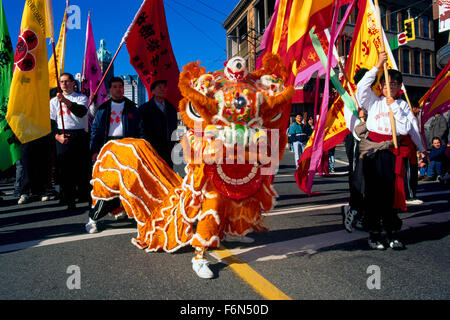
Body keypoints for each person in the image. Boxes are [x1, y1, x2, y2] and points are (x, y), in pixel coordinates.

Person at [356, 51, 426, 250]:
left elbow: (407, 129)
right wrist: (377, 65)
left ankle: (392, 232)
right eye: (387, 83)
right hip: (373, 154)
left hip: (393, 155)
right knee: (374, 195)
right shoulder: (372, 101)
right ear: (380, 86)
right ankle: (374, 234)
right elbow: (361, 87)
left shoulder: (402, 105)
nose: (390, 87)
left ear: (399, 87)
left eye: (395, 84)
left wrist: (421, 150)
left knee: (392, 195)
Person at [86, 77, 144, 234]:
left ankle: (123, 209)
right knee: (106, 185)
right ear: (109, 90)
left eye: (120, 87)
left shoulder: (132, 108)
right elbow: (95, 131)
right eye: (115, 87)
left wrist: (138, 149)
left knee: (129, 183)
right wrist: (94, 151)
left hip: (127, 148)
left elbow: (140, 131)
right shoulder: (103, 108)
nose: (118, 89)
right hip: (107, 149)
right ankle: (93, 218)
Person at [50, 73, 90, 210]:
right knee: (64, 169)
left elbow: (81, 112)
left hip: (79, 134)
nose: (64, 84)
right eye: (61, 82)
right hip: (62, 135)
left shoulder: (81, 98)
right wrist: (57, 136)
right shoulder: (54, 101)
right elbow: (51, 122)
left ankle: (84, 195)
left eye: (67, 81)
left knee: (81, 167)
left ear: (73, 83)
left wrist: (65, 101)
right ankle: (68, 198)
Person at [139, 80, 178, 168]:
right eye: (159, 87)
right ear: (152, 91)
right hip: (152, 147)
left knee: (168, 173)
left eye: (164, 87)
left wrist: (173, 142)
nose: (163, 90)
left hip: (168, 148)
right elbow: (141, 129)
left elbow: (174, 127)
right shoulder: (144, 109)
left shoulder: (171, 108)